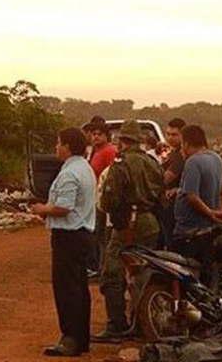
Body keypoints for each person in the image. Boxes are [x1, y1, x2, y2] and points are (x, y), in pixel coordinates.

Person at [93, 120, 163, 342]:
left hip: (127, 225)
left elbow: (110, 200)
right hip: (150, 222)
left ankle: (117, 324)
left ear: (121, 140)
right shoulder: (152, 162)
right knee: (142, 274)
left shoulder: (121, 164)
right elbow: (162, 195)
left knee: (111, 274)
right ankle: (142, 322)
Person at [32, 128, 96, 357]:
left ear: (68, 146)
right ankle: (81, 339)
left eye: (58, 143)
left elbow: (64, 207)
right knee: (78, 287)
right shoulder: (84, 168)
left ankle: (70, 339)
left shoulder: (70, 173)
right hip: (81, 234)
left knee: (66, 288)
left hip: (69, 235)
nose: (55, 147)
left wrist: (42, 209)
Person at [171, 125, 222, 284]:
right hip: (208, 228)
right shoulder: (216, 158)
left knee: (184, 275)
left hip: (190, 231)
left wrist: (209, 213)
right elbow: (219, 190)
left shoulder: (193, 162)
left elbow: (192, 196)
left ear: (186, 144)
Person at [87, 122, 117, 277]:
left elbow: (112, 176)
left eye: (99, 134)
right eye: (94, 134)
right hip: (96, 200)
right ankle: (99, 268)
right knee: (98, 236)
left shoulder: (110, 151)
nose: (96, 137)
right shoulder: (96, 152)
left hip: (105, 201)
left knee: (104, 237)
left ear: (107, 136)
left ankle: (104, 270)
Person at [158, 118, 186, 248]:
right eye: (168, 134)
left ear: (183, 135)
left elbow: (165, 178)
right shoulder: (173, 153)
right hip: (170, 203)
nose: (170, 138)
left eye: (174, 134)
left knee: (172, 243)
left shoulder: (180, 155)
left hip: (174, 205)